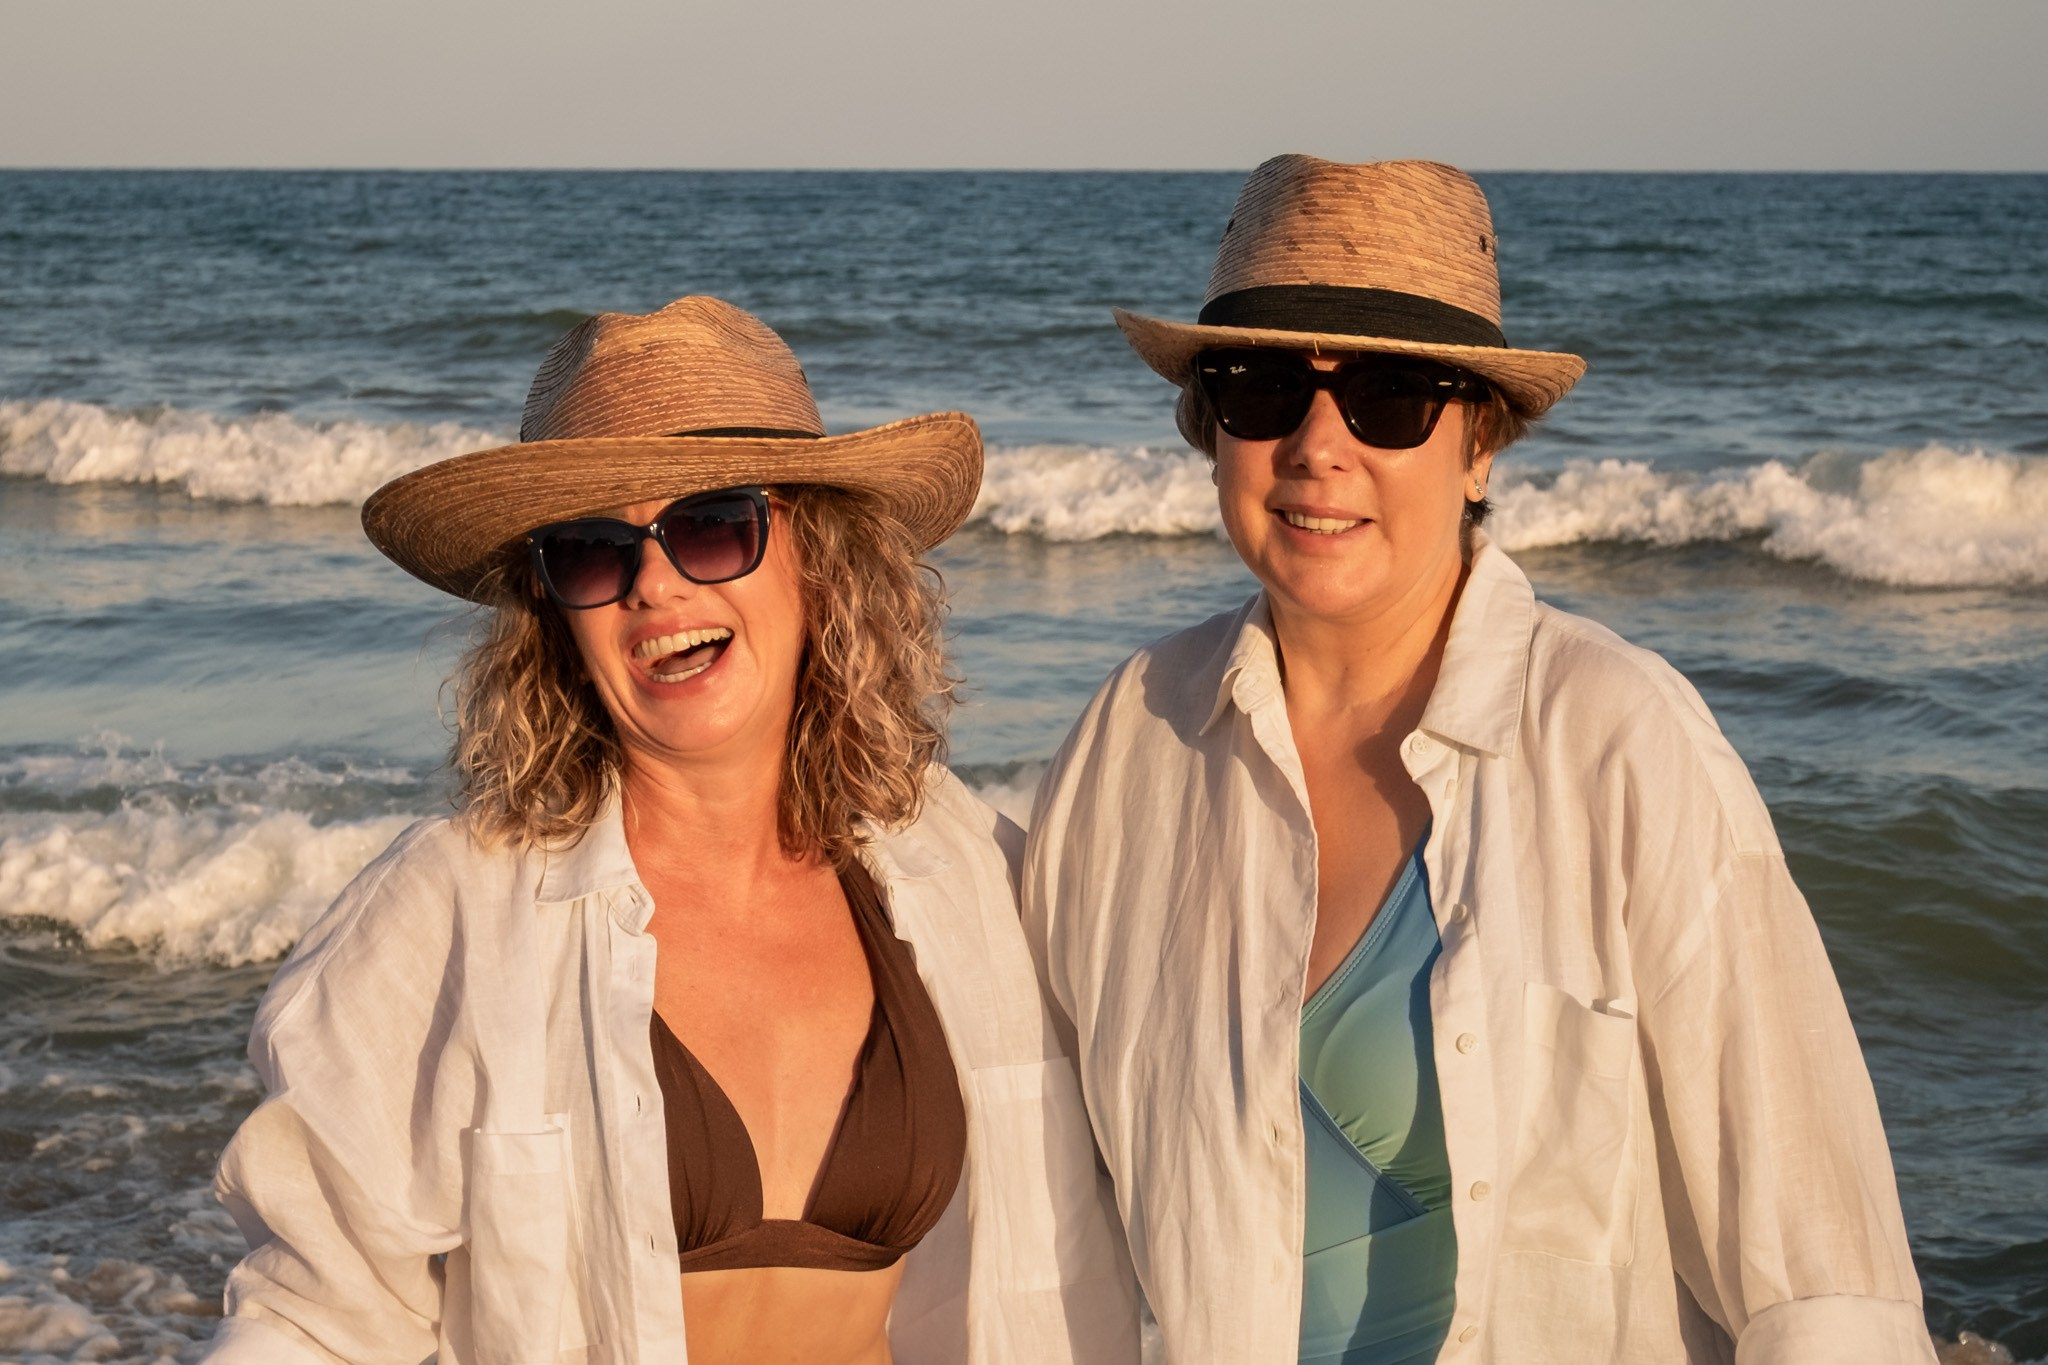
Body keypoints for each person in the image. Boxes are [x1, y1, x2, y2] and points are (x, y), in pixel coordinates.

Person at [1022, 156, 1934, 1364]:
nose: (1316, 445)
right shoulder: (1129, 743)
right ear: (1207, 433)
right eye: (1258, 389)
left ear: (1477, 447)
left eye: (1387, 398)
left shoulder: (1617, 737)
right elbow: (1049, 1224)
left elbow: (1812, 1263)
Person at [205, 297, 1137, 1365]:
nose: (653, 584)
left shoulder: (970, 873)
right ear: (554, 612)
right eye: (594, 553)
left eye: (711, 524)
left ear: (815, 555)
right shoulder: (451, 908)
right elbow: (315, 1320)